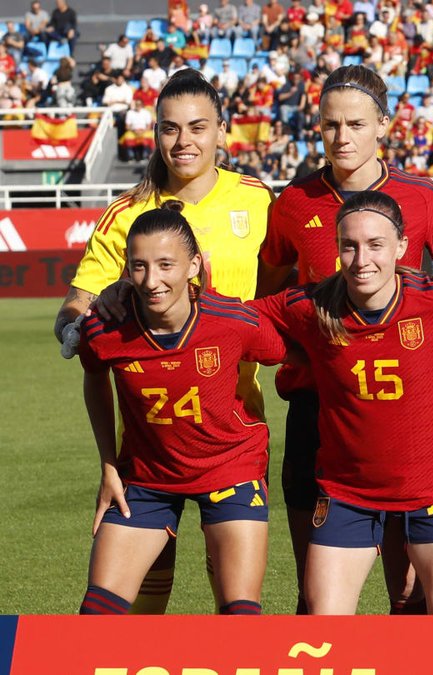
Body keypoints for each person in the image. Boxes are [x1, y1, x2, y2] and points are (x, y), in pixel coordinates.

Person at [55, 69, 274, 615]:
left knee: (233, 595)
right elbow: (72, 312)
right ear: (155, 134)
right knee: (142, 602)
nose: (184, 142)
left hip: (232, 427)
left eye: (198, 127)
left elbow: (281, 298)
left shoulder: (258, 199)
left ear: (223, 132)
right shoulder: (127, 213)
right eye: (170, 129)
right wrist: (91, 309)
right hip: (150, 441)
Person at [257, 64, 433, 615]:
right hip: (316, 403)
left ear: (383, 123)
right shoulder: (294, 202)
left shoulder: (421, 198)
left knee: (407, 590)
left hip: (403, 417)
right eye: (330, 125)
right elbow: (271, 296)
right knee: (318, 591)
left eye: (355, 123)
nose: (342, 137)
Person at [254, 192, 433, 615]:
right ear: (336, 248)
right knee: (323, 629)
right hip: (348, 493)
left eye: (375, 245)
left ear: (402, 247)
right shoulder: (312, 305)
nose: (361, 258)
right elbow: (235, 322)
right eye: (349, 245)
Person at [77, 204, 286, 616]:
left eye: (165, 264)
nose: (151, 280)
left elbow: (288, 350)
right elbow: (93, 373)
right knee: (96, 619)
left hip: (231, 468)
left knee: (240, 615)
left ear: (193, 265)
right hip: (148, 477)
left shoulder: (233, 320)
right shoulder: (105, 329)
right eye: (139, 266)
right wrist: (108, 464)